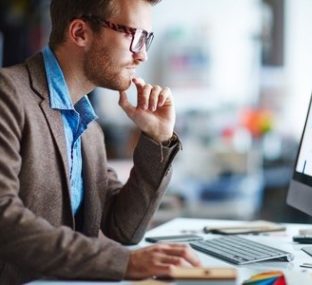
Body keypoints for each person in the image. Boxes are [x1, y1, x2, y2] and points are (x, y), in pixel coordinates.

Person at [0, 0, 201, 283]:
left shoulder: (88, 125)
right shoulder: (8, 95)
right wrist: (123, 263)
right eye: (133, 36)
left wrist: (158, 137)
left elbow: (124, 229)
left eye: (147, 39)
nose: (142, 55)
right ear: (80, 32)